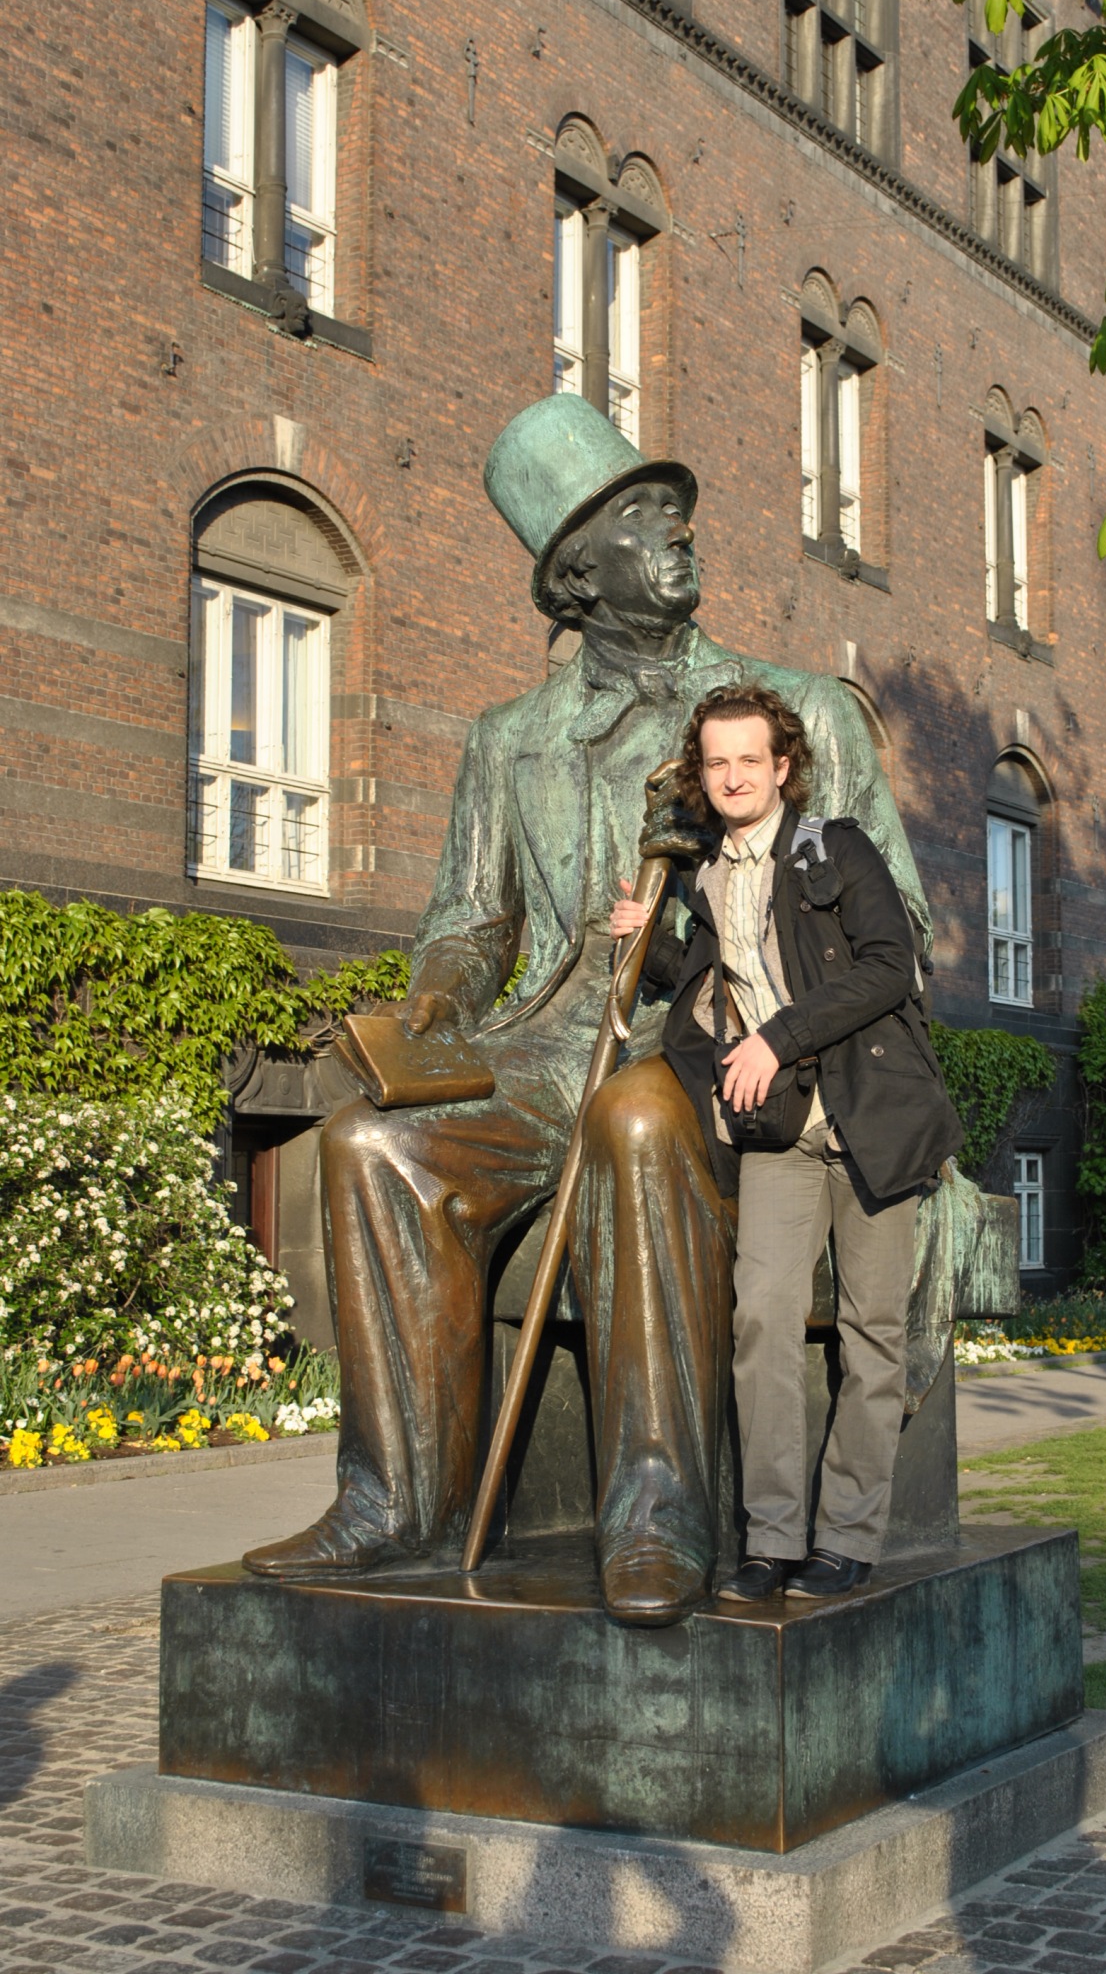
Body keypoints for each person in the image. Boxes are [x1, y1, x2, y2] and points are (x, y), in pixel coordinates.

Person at [242, 393, 946, 1628]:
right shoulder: (508, 739)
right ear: (576, 573)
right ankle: (398, 1505)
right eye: (642, 515)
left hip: (702, 1044)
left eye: (674, 510)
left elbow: (905, 930)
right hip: (542, 1044)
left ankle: (657, 1513)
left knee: (636, 1116)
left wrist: (759, 989)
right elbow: (470, 917)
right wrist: (436, 1003)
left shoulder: (797, 715)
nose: (679, 528)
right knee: (370, 1142)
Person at [614, 686, 963, 1602]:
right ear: (702, 775)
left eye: (749, 760)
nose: (732, 777)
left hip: (872, 1117)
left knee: (871, 1334)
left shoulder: (834, 848)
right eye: (716, 763)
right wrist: (648, 943)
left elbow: (890, 967)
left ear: (781, 766)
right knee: (761, 1318)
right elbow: (714, 979)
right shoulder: (706, 879)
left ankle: (846, 1537)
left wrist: (777, 1039)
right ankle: (769, 1539)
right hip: (776, 1131)